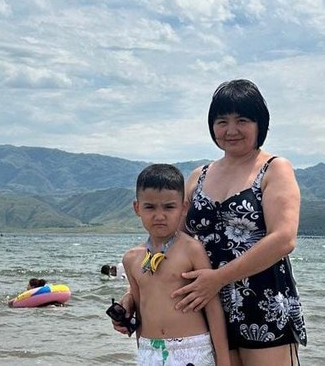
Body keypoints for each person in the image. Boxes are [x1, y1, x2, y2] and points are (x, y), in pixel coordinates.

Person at [113, 80, 307, 366]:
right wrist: (133, 296)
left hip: (262, 305)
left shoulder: (274, 169)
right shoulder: (199, 176)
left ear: (260, 123)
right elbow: (170, 244)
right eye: (222, 121)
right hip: (201, 309)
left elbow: (283, 239)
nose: (231, 130)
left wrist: (218, 278)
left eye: (242, 120)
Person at [117, 163, 230, 366]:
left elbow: (213, 307)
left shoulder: (191, 250)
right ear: (137, 208)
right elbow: (140, 310)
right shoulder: (131, 259)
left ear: (183, 208)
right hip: (149, 350)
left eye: (169, 207)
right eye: (150, 207)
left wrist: (223, 360)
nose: (159, 216)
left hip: (192, 349)